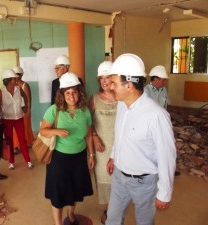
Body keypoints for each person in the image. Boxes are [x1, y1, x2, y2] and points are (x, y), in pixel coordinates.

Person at [106, 53, 176, 225]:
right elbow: (120, 134)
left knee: (144, 222)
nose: (110, 87)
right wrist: (114, 155)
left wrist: (164, 193)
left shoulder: (157, 115)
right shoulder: (122, 105)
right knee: (112, 219)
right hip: (119, 177)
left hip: (144, 183)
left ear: (129, 85)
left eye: (114, 83)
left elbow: (167, 156)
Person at [40, 72, 95, 225]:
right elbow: (43, 130)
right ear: (62, 94)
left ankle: (71, 215)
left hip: (79, 158)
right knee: (58, 193)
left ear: (79, 93)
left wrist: (91, 155)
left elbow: (89, 134)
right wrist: (56, 131)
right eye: (68, 93)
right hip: (59, 159)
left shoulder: (85, 111)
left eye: (74, 92)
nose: (71, 96)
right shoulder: (54, 110)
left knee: (75, 190)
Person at [88, 61, 117, 224]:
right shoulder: (94, 99)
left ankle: (116, 210)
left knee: (119, 180)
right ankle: (109, 211)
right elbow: (87, 121)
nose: (105, 81)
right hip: (102, 148)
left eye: (108, 77)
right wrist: (94, 135)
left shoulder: (122, 97)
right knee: (105, 180)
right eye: (102, 78)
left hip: (120, 147)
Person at [144, 65, 180, 176]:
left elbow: (166, 106)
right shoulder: (146, 91)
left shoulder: (164, 90)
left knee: (166, 146)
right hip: (151, 124)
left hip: (162, 122)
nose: (164, 82)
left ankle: (168, 170)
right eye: (163, 80)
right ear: (155, 79)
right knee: (153, 148)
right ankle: (154, 170)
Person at [0, 69, 33, 169]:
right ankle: (11, 162)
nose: (16, 79)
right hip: (7, 119)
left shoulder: (18, 89)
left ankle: (28, 160)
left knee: (22, 140)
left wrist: (25, 108)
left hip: (19, 118)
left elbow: (25, 98)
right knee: (9, 141)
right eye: (13, 78)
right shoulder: (1, 92)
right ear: (8, 80)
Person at [12, 66, 35, 152]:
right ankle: (16, 145)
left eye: (16, 75)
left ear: (20, 75)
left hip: (24, 111)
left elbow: (28, 99)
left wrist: (28, 110)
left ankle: (25, 144)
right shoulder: (13, 85)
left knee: (24, 128)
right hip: (15, 111)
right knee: (16, 129)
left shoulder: (25, 85)